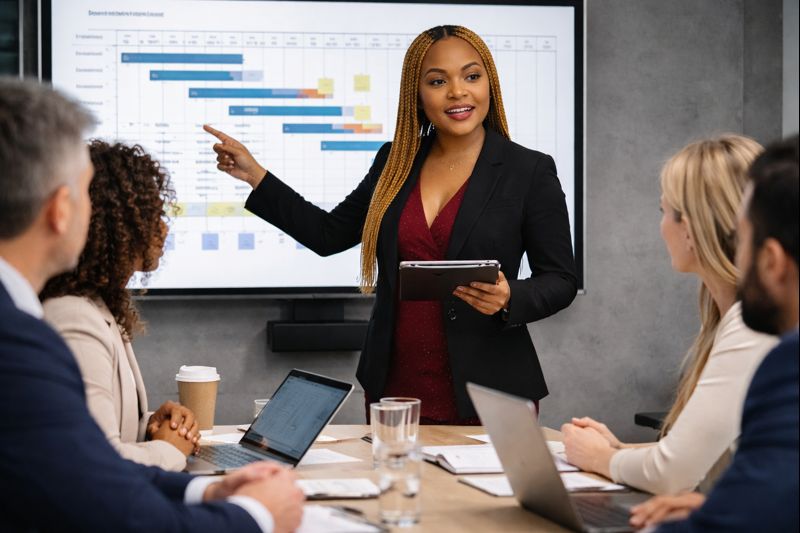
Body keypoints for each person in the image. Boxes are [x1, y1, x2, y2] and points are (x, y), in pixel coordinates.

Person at [204, 25, 577, 424]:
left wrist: (510, 297)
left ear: (490, 83)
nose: (458, 92)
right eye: (438, 81)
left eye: (472, 76)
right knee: (396, 487)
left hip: (493, 390)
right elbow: (328, 235)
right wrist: (256, 176)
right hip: (396, 388)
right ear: (416, 94)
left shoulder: (529, 170)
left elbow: (560, 279)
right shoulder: (394, 162)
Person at [0, 78, 304, 532]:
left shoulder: (36, 318)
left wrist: (201, 486)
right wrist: (255, 515)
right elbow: (96, 498)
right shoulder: (32, 335)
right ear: (61, 208)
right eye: (85, 194)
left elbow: (75, 461)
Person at [561, 135, 777, 494]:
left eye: (664, 212)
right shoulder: (739, 317)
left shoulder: (750, 326)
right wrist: (615, 450)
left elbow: (672, 473)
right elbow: (700, 457)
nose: (661, 227)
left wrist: (599, 459)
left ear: (690, 229)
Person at [628, 134, 799, 531]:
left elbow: (675, 473)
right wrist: (717, 504)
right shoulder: (734, 325)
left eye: (742, 238)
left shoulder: (779, 352)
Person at [40, 140, 197, 471]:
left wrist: (150, 426)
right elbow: (98, 461)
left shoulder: (96, 304)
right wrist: (171, 452)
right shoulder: (73, 317)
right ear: (119, 225)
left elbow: (95, 433)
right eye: (154, 213)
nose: (164, 227)